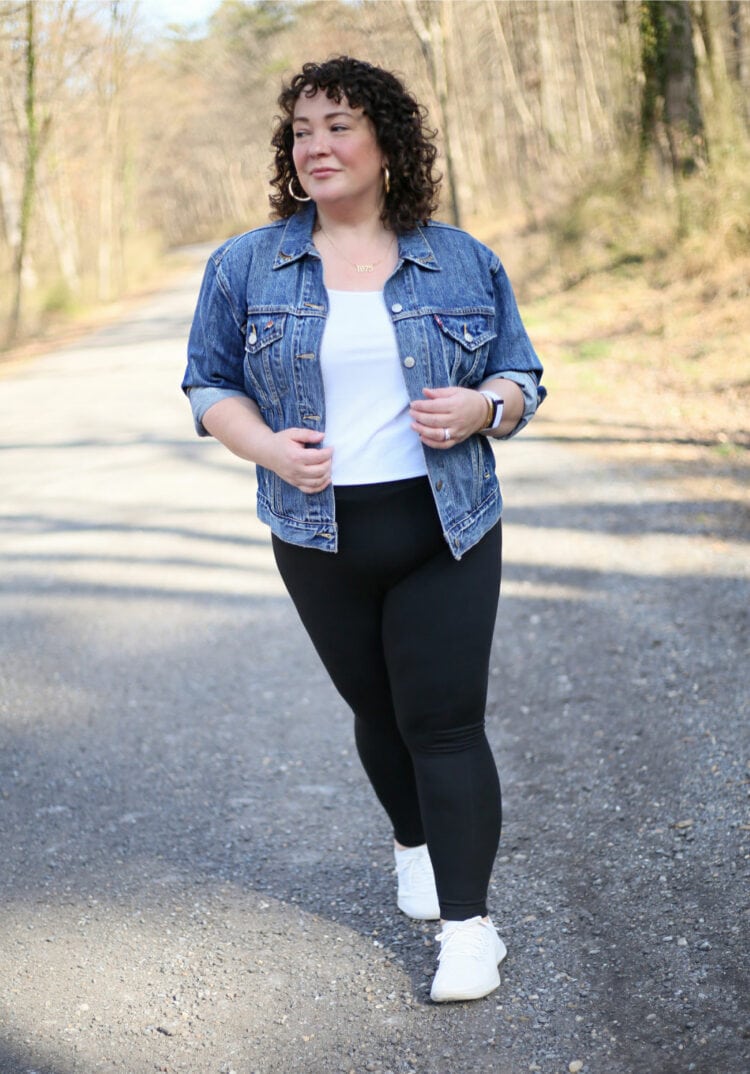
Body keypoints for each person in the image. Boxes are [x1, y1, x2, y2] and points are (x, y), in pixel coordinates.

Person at [182, 56, 545, 1003]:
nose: (317, 145)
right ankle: (413, 845)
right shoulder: (245, 264)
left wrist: (484, 410)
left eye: (339, 125)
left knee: (445, 721)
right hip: (316, 532)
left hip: (446, 523)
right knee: (378, 713)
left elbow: (522, 374)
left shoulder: (461, 257)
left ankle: (470, 931)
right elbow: (209, 385)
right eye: (303, 130)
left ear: (387, 143)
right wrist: (267, 448)